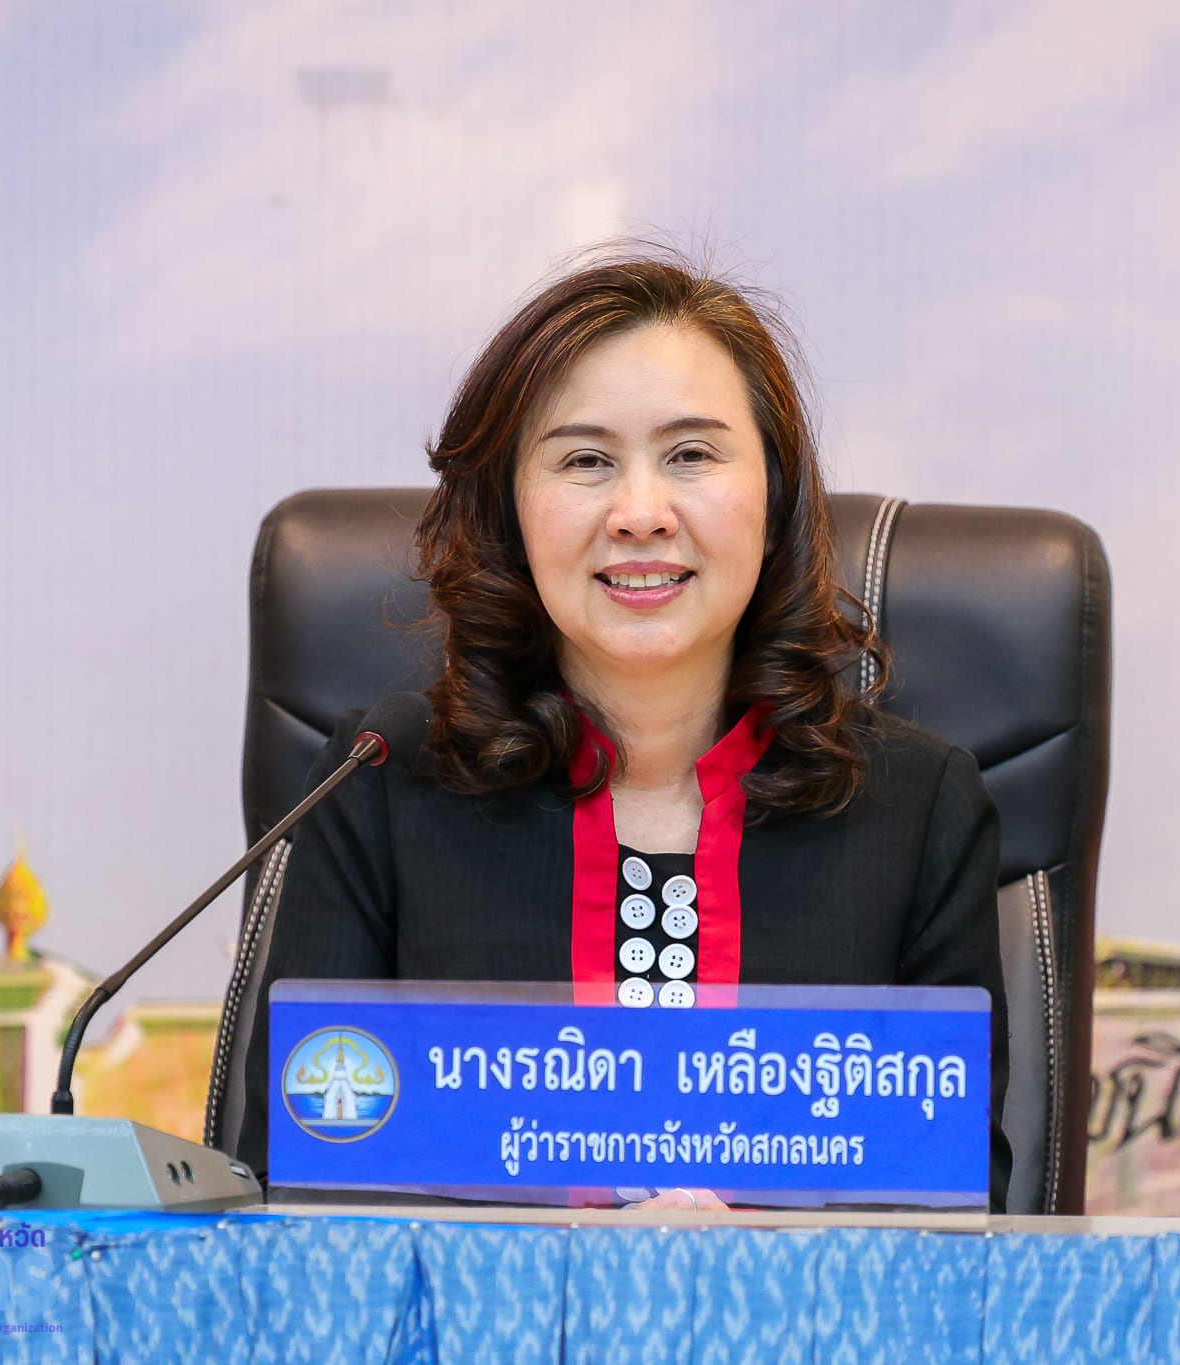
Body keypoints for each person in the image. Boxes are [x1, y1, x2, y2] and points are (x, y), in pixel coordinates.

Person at [239, 248, 1011, 1210]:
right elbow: (299, 1195)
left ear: (775, 496)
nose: (640, 514)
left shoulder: (915, 808)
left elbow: (948, 1226)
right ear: (510, 511)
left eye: (692, 455)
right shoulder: (382, 785)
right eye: (585, 461)